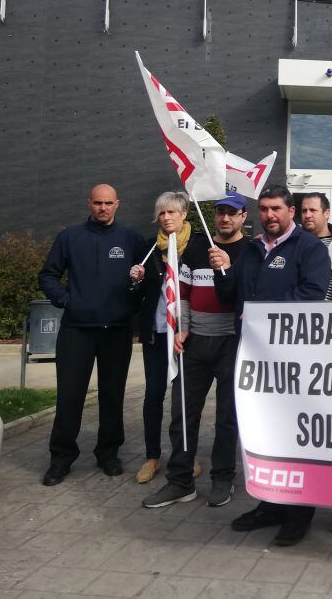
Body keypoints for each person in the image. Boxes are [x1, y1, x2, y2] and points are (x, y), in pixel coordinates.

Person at [210, 184, 331, 546]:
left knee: (294, 435)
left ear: (291, 211)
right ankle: (270, 503)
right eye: (263, 209)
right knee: (263, 432)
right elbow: (232, 296)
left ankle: (299, 512)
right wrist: (223, 270)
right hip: (254, 356)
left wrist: (264, 313)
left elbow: (311, 294)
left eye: (276, 208)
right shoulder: (252, 248)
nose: (269, 215)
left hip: (294, 358)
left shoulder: (308, 248)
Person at [140, 192, 250, 509]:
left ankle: (222, 478)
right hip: (195, 341)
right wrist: (183, 326)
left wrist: (229, 267)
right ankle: (180, 481)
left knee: (227, 417)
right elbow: (183, 292)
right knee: (182, 415)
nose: (225, 218)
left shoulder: (250, 251)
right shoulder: (198, 245)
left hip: (231, 342)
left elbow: (245, 294)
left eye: (232, 213)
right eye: (220, 212)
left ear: (244, 216)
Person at [39, 184, 147, 486]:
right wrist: (65, 299)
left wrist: (135, 291)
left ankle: (108, 453)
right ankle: (61, 458)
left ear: (117, 205)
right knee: (69, 396)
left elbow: (144, 279)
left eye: (108, 203)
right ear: (89, 204)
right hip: (77, 330)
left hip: (116, 331)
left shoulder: (131, 239)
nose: (103, 208)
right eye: (98, 203)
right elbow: (47, 275)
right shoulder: (70, 237)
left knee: (112, 396)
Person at [129, 192, 192, 485]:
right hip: (157, 332)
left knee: (185, 399)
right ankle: (152, 456)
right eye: (162, 213)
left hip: (187, 335)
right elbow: (136, 294)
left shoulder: (198, 246)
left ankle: (184, 457)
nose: (166, 218)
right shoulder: (149, 248)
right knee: (154, 395)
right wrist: (137, 279)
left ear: (184, 215)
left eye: (172, 212)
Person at [300, 192, 332, 300]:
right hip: (300, 311)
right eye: (304, 211)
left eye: (313, 210)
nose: (308, 215)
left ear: (326, 213)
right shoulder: (295, 243)